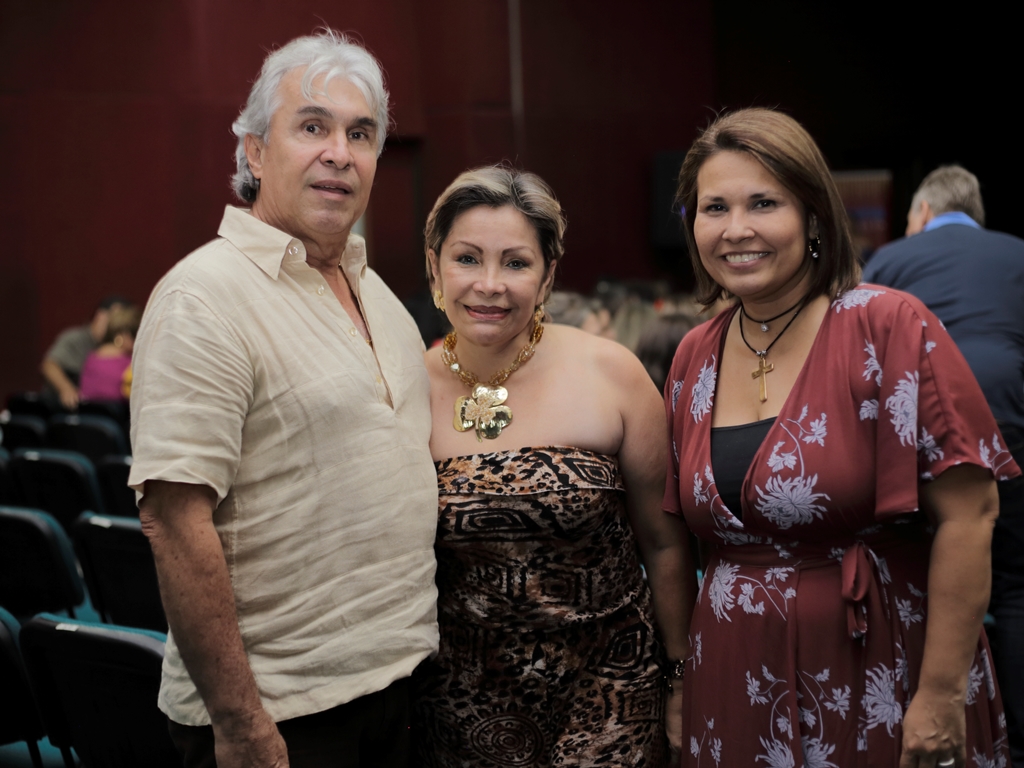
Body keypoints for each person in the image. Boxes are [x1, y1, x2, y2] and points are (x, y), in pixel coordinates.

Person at [664, 108, 1017, 768]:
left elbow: (972, 515)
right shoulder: (693, 358)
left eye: (763, 203)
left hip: (881, 663)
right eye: (714, 208)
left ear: (813, 215)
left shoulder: (888, 327)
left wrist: (939, 694)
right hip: (733, 672)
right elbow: (673, 539)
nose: (736, 229)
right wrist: (681, 678)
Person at [130, 30, 438, 768]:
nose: (339, 151)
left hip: (401, 689)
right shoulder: (203, 297)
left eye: (360, 133)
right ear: (255, 152)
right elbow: (174, 522)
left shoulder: (382, 293)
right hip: (283, 717)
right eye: (312, 127)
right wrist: (239, 721)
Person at [412, 166, 694, 766]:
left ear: (547, 276)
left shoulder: (611, 372)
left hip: (612, 689)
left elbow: (664, 543)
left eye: (516, 263)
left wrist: (680, 676)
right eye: (467, 259)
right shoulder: (403, 388)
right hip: (461, 706)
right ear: (435, 267)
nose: (490, 285)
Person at [864, 164, 1024, 768]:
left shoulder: (893, 259)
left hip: (924, 427)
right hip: (1011, 413)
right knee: (1013, 582)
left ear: (923, 212)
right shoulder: (1016, 254)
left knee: (918, 567)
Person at [40, 295, 129, 410]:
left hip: (95, 409)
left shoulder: (116, 348)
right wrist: (66, 388)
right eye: (116, 320)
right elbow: (49, 365)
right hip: (61, 407)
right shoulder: (74, 338)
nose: (118, 327)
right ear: (100, 316)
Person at [78, 304, 140, 402]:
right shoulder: (130, 363)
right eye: (135, 334)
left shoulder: (91, 357)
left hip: (86, 413)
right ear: (124, 335)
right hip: (116, 415)